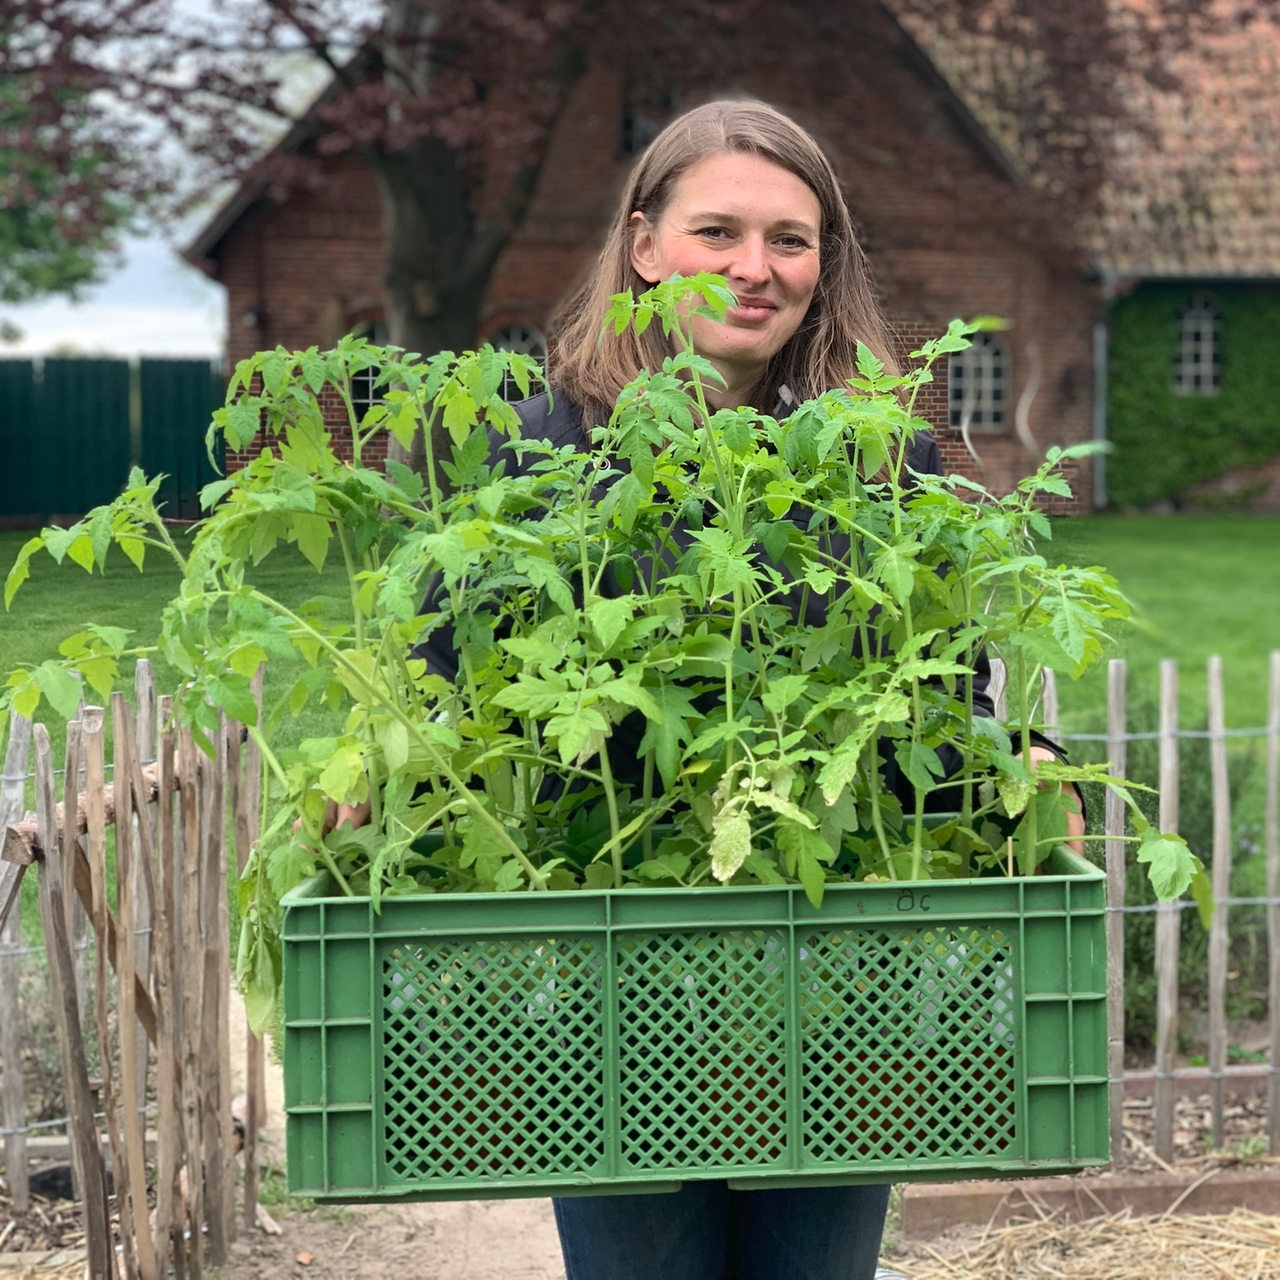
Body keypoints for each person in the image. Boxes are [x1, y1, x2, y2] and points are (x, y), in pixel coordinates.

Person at [336, 96, 1082, 1280]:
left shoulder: (889, 467)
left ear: (823, 264)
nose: (755, 270)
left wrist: (1015, 755)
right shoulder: (535, 462)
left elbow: (943, 703)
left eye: (790, 239)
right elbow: (451, 696)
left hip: (838, 991)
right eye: (717, 233)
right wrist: (386, 761)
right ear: (643, 247)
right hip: (610, 993)